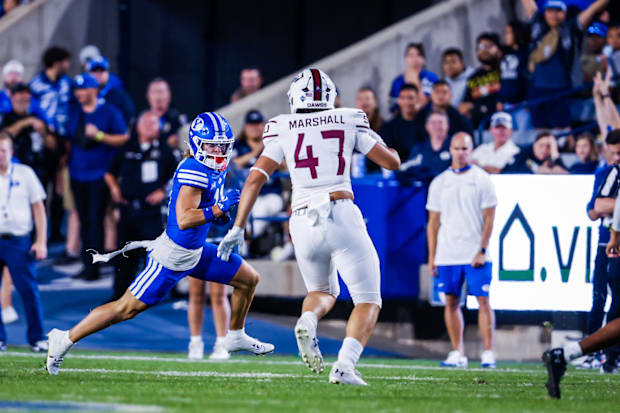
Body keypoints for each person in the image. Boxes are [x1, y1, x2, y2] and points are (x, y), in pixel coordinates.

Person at [45, 112, 275, 375]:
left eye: (222, 145)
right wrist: (219, 210)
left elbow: (204, 209)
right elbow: (185, 218)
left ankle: (234, 334)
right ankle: (64, 338)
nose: (218, 150)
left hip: (197, 252)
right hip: (173, 255)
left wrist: (219, 215)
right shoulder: (194, 169)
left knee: (248, 279)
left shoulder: (214, 167)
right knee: (125, 309)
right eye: (212, 145)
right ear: (197, 143)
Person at [217, 68, 401, 386]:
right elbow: (392, 163)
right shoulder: (349, 118)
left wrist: (238, 225)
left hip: (301, 220)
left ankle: (308, 318)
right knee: (368, 299)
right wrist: (381, 143)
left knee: (321, 291)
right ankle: (345, 364)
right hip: (340, 210)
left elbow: (256, 178)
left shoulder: (281, 126)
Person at [426, 132, 497, 369]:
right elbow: (433, 222)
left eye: (465, 149)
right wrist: (432, 255)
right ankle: (458, 352)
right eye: (457, 148)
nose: (461, 153)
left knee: (483, 300)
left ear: (471, 150)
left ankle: (488, 352)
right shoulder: (440, 182)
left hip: (475, 251)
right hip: (447, 253)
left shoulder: (482, 179)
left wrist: (482, 249)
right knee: (450, 302)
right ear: (451, 150)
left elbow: (490, 219)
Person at [104, 111, 177, 301]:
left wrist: (163, 191)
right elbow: (109, 172)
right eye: (145, 122)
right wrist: (114, 189)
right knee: (125, 253)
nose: (149, 126)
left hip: (152, 212)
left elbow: (176, 175)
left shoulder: (165, 150)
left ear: (159, 127)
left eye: (153, 123)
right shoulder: (126, 147)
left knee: (154, 254)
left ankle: (155, 293)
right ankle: (119, 293)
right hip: (128, 209)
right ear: (137, 126)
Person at [65, 73, 129, 281]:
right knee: (83, 220)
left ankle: (94, 267)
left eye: (83, 90)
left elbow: (123, 138)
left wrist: (100, 136)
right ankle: (87, 264)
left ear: (94, 90)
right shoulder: (74, 111)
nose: (79, 94)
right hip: (78, 174)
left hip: (99, 174)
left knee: (95, 221)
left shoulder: (109, 111)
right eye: (77, 90)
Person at [520, 0, 610, 129]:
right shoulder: (538, 25)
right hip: (536, 87)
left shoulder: (571, 27)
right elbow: (528, 4)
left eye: (558, 11)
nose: (553, 15)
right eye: (550, 11)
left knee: (563, 129)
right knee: (540, 129)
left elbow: (592, 10)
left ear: (564, 13)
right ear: (544, 12)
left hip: (561, 88)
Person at [0, 134, 48, 352]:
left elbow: (38, 208)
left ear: (11, 152)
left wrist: (41, 241)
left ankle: (37, 338)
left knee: (28, 290)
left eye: (4, 150)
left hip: (19, 241)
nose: (1, 155)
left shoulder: (25, 173)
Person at [0, 83, 56, 184]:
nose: (23, 97)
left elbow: (52, 145)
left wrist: (43, 133)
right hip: (13, 169)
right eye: (20, 94)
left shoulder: (38, 117)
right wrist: (26, 122)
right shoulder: (5, 117)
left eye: (26, 95)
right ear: (12, 98)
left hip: (37, 169)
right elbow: (5, 135)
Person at [459, 33, 502, 128]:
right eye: (481, 46)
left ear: (498, 49)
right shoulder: (473, 77)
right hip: (480, 125)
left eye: (489, 46)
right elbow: (463, 106)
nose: (484, 50)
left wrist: (476, 106)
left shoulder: (504, 70)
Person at [400, 111, 452, 184]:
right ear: (427, 126)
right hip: (424, 192)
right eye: (433, 123)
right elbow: (405, 169)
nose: (437, 126)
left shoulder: (456, 146)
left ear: (447, 126)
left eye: (440, 122)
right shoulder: (419, 148)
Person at [29, 46, 72, 135]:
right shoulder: (36, 84)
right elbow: (31, 107)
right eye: (66, 62)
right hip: (43, 134)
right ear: (57, 63)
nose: (68, 65)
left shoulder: (67, 82)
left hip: (64, 133)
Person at [389, 43, 438, 112]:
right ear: (406, 59)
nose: (415, 59)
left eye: (418, 55)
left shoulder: (431, 78)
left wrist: (415, 80)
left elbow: (431, 103)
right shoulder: (397, 81)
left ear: (424, 59)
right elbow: (394, 108)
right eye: (411, 55)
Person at [87, 56, 135, 124]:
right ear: (89, 73)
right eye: (94, 71)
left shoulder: (120, 97)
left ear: (108, 73)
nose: (98, 74)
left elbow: (129, 118)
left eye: (101, 70)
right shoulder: (82, 96)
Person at [380, 83, 421, 162]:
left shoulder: (428, 123)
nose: (407, 102)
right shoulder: (389, 128)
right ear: (398, 100)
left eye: (410, 98)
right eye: (402, 98)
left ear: (418, 99)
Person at [146, 78, 187, 149]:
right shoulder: (140, 121)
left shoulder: (177, 119)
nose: (158, 97)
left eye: (161, 92)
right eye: (154, 92)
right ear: (148, 96)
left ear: (169, 95)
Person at [502, 131, 568, 173]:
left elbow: (567, 175)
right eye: (541, 145)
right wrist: (539, 171)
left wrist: (554, 153)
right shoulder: (522, 155)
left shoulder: (553, 159)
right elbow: (506, 173)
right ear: (534, 146)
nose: (544, 149)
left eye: (549, 146)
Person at [498, 21, 529, 107]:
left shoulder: (526, 52)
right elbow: (503, 78)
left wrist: (528, 99)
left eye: (508, 33)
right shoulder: (506, 53)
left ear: (517, 33)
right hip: (506, 103)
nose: (505, 36)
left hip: (522, 103)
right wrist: (500, 99)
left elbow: (528, 78)